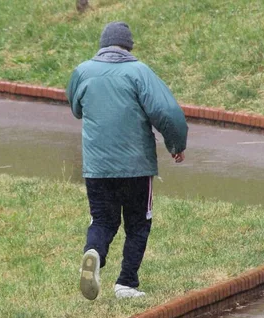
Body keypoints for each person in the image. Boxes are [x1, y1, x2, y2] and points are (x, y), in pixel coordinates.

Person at [67, 21, 188, 300]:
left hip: (97, 167)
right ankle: (126, 283)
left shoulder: (83, 72)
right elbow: (167, 112)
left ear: (102, 45)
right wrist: (176, 144)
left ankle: (94, 252)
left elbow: (75, 107)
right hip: (136, 166)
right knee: (138, 223)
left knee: (103, 221)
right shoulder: (139, 72)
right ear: (129, 46)